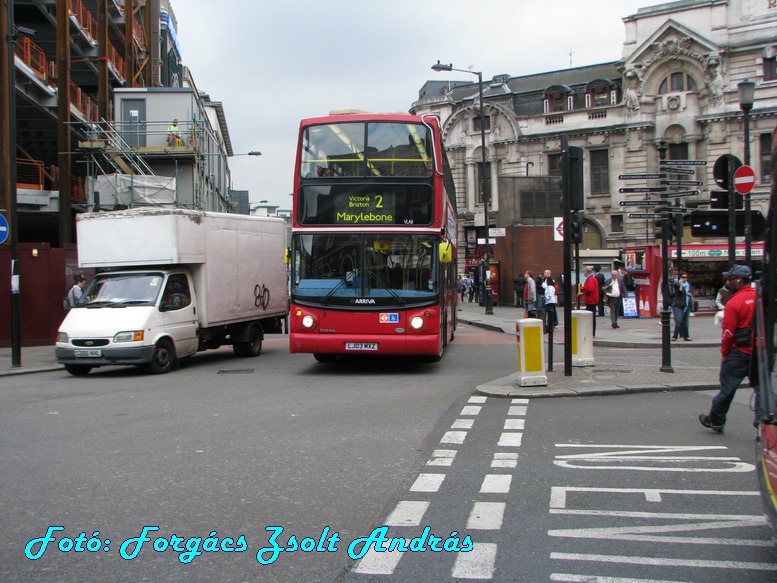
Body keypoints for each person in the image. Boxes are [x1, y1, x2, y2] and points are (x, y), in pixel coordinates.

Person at [699, 264, 760, 432]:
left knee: (727, 389)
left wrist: (725, 353)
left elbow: (728, 333)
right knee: (762, 389)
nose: (727, 282)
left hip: (739, 352)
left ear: (739, 280)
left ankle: (716, 420)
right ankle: (762, 424)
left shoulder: (735, 302)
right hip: (759, 352)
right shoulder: (760, 298)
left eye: (730, 279)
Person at [672, 273, 692, 341]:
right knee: (679, 321)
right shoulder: (677, 284)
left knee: (686, 322)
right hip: (679, 305)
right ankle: (675, 336)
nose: (685, 279)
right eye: (683, 277)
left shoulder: (688, 285)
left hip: (687, 304)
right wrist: (681, 284)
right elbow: (679, 292)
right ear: (680, 278)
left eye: (686, 277)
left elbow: (689, 292)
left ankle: (686, 336)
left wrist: (688, 294)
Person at [581, 266, 600, 336]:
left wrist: (583, 287)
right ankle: (592, 333)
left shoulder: (591, 279)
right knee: (591, 317)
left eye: (584, 271)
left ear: (586, 272)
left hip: (591, 300)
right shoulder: (592, 279)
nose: (583, 273)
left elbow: (590, 289)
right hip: (592, 299)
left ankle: (592, 333)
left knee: (591, 317)